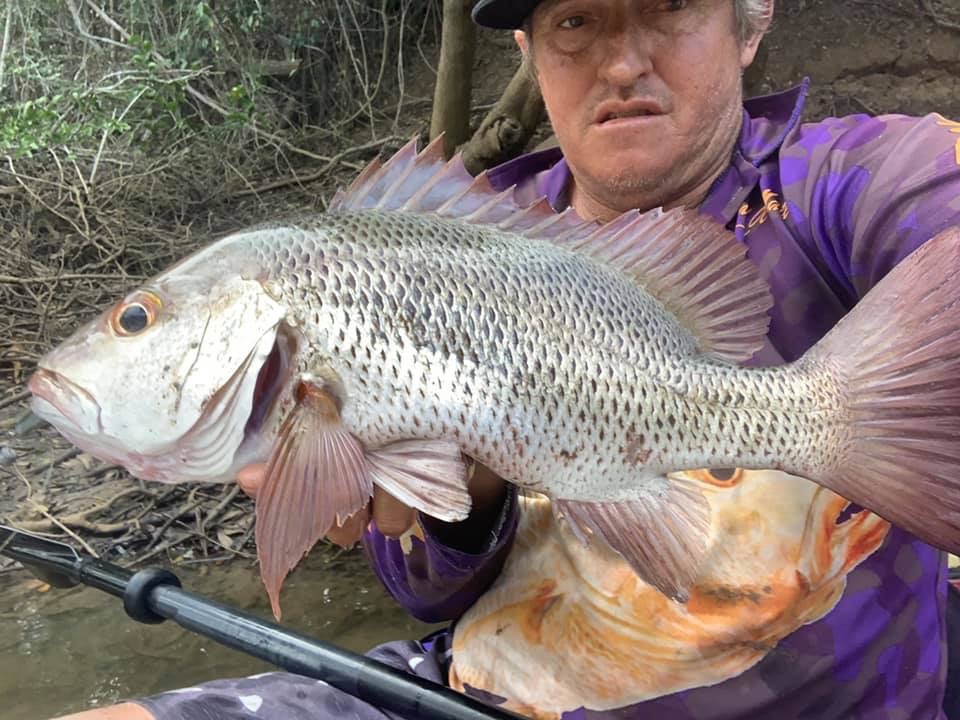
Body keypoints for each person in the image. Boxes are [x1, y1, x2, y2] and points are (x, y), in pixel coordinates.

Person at [55, 0, 960, 718]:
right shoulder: (467, 224)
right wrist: (465, 502)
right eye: (575, 22)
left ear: (749, 21)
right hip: (485, 689)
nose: (620, 61)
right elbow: (420, 592)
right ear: (528, 46)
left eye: (670, 4)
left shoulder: (846, 184)